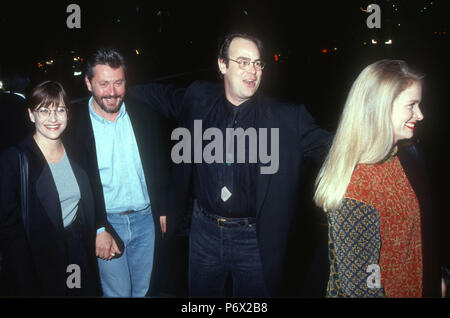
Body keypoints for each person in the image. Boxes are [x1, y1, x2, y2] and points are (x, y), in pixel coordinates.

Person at [129, 33, 331, 297]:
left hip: (254, 240)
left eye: (258, 63)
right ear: (222, 65)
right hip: (204, 233)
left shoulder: (286, 118)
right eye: (243, 62)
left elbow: (333, 149)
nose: (253, 71)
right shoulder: (198, 99)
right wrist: (116, 88)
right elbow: (159, 96)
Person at [314, 59, 442, 297]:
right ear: (381, 107)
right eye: (411, 105)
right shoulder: (358, 186)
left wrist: (435, 279)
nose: (420, 115)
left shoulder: (401, 156)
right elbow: (363, 288)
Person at [64, 48, 173, 297]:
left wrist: (164, 208)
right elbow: (74, 186)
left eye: (118, 83)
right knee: (118, 293)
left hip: (146, 220)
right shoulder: (74, 125)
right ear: (88, 82)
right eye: (103, 84)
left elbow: (159, 163)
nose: (112, 92)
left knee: (144, 291)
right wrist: (97, 229)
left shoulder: (143, 112)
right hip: (107, 223)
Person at [0, 81, 101, 296]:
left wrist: (100, 230)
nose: (53, 119)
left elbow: (91, 196)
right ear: (30, 115)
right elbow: (10, 232)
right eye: (44, 110)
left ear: (68, 113)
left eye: (60, 110)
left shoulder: (77, 151)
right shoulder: (14, 161)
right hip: (38, 260)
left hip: (76, 250)